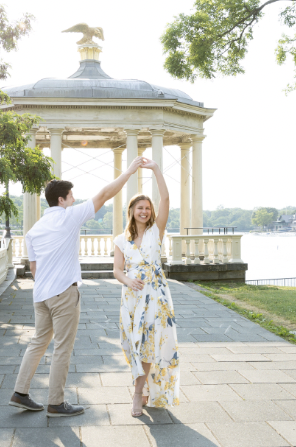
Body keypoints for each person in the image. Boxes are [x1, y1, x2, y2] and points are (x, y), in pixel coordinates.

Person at [9, 156, 145, 417]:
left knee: (38, 342)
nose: (74, 200)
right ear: (61, 200)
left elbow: (34, 269)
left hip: (41, 295)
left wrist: (47, 287)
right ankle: (56, 403)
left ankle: (20, 392)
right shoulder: (69, 216)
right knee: (62, 347)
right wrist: (129, 171)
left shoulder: (34, 229)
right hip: (63, 294)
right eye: (71, 196)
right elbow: (105, 193)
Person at [112, 159, 179, 416]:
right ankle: (145, 386)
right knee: (131, 345)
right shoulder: (121, 240)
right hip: (131, 297)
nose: (145, 212)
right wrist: (127, 280)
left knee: (149, 344)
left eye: (147, 208)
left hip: (156, 296)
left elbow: (166, 199)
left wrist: (155, 169)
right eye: (140, 208)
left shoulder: (156, 233)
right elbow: (117, 270)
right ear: (132, 210)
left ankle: (138, 394)